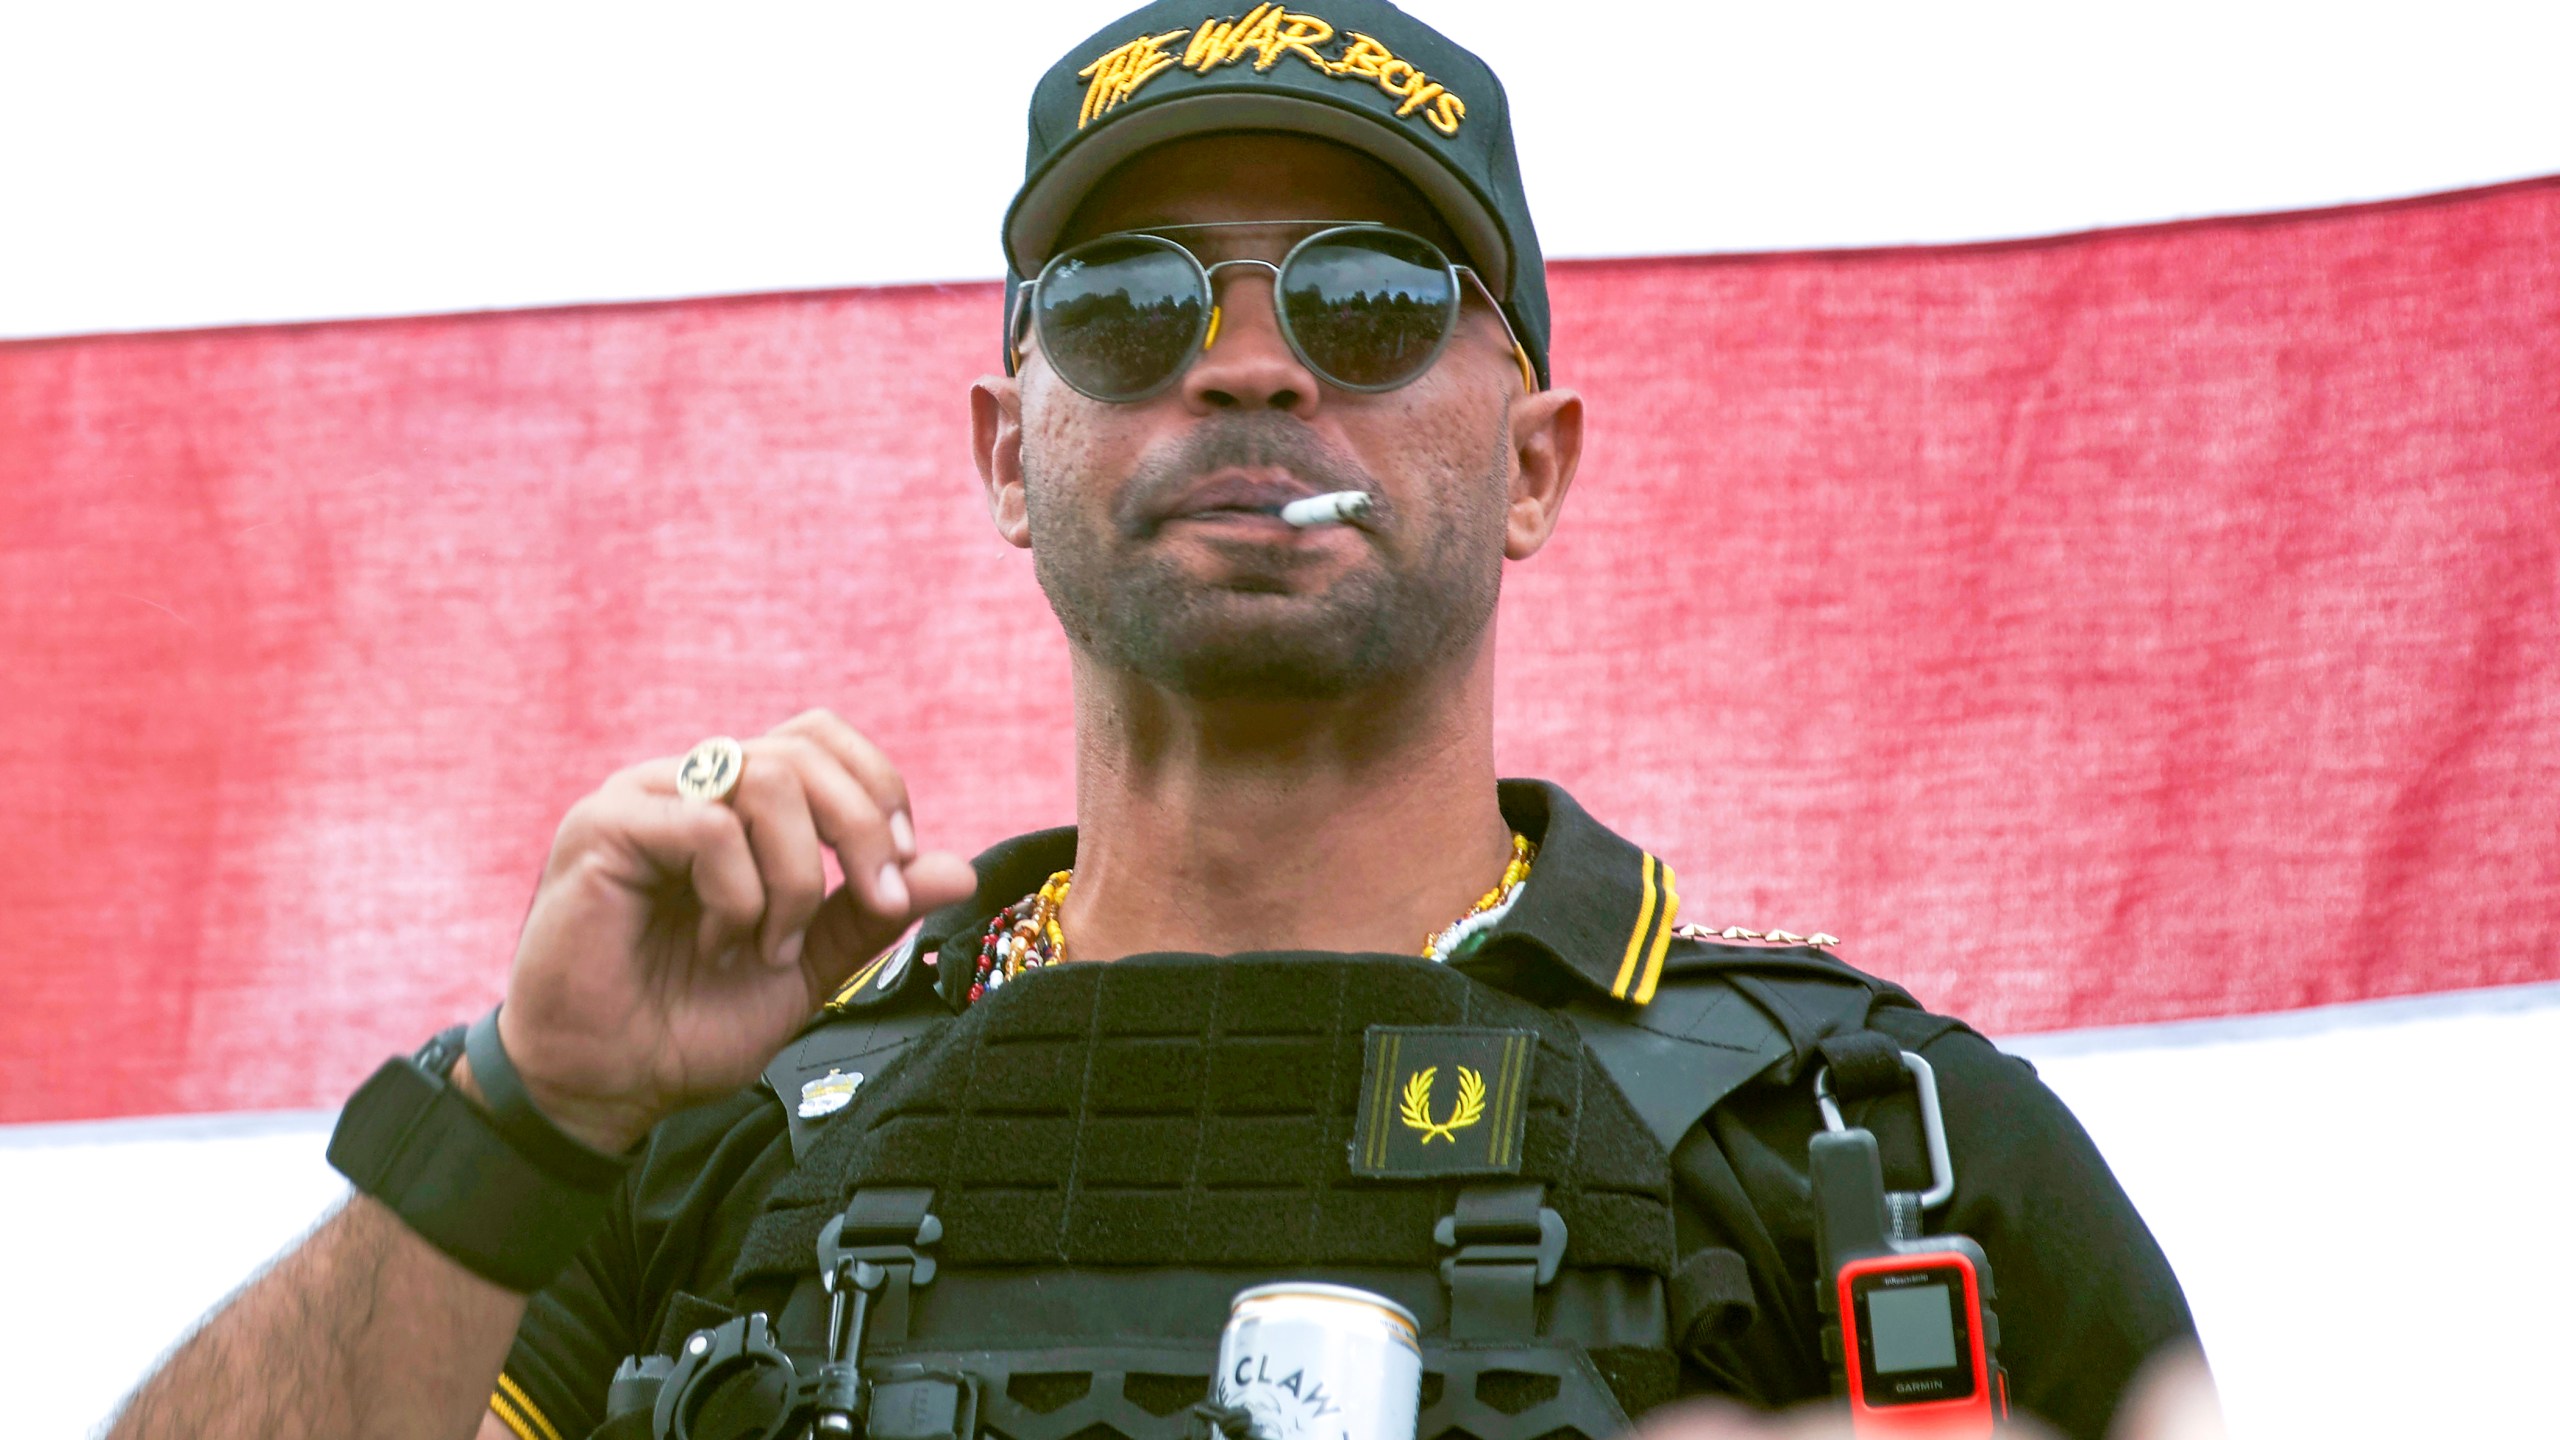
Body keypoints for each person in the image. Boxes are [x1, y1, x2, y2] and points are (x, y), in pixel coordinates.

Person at [103, 5, 2198, 1440]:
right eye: (1129, 302)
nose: (1249, 367)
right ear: (1009, 454)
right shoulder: (705, 1155)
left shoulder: (1869, 1142)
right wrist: (525, 1117)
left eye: (1369, 299)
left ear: (1538, 461)